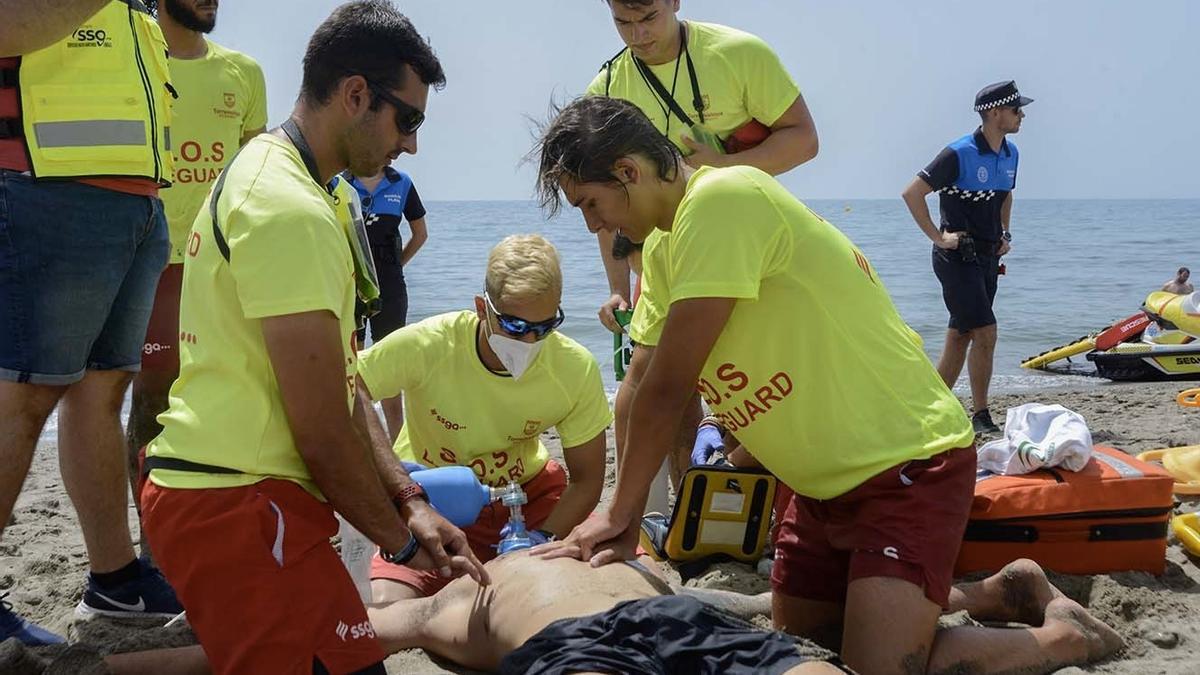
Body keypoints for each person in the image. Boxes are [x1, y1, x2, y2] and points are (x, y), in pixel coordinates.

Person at [527, 96, 1123, 675]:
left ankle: (1064, 638)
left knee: (878, 667)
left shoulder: (723, 200)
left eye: (590, 202)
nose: (592, 224)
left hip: (906, 466)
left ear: (628, 171)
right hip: (817, 489)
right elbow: (639, 378)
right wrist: (619, 513)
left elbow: (671, 386)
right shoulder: (661, 245)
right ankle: (1000, 593)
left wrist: (622, 508)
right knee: (808, 652)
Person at [139, 3, 487, 673]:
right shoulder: (287, 207)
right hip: (231, 502)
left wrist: (409, 502)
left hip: (254, 497)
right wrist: (403, 545)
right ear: (356, 94)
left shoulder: (318, 189)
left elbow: (347, 377)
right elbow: (322, 429)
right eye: (406, 119)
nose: (411, 144)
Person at [89, 555, 1120, 675]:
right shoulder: (631, 558)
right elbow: (745, 600)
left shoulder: (468, 595)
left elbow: (323, 645)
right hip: (686, 625)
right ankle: (1059, 635)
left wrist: (98, 671)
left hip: (589, 643)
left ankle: (1054, 631)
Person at [0, 0, 182, 645]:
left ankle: (116, 585)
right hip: (47, 189)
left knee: (101, 392)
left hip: (134, 201)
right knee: (22, 397)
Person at [587, 0, 819, 502]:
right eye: (622, 23)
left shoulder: (738, 53)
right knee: (664, 379)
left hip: (744, 236)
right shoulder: (606, 89)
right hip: (660, 254)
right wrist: (616, 290)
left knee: (752, 373)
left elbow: (804, 140)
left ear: (674, 2)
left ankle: (760, 500)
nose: (638, 36)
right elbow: (605, 202)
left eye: (648, 18)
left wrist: (722, 166)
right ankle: (685, 502)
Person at [357, 234, 611, 602]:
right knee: (388, 601)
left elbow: (587, 482)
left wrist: (545, 540)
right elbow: (348, 389)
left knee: (622, 573)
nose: (529, 343)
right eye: (515, 327)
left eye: (544, 327)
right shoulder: (429, 345)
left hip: (530, 497)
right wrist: (401, 487)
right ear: (482, 308)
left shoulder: (573, 367)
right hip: (435, 498)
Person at [126, 0, 269, 547]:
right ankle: (153, 536)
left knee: (232, 390)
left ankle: (224, 515)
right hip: (151, 261)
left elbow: (255, 176)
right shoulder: (136, 60)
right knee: (152, 399)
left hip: (219, 263)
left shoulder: (244, 71)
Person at [902, 80, 1032, 434]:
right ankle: (981, 415)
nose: (1022, 115)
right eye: (1016, 109)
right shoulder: (958, 153)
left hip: (989, 258)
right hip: (957, 258)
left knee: (961, 335)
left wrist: (1005, 234)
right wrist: (938, 237)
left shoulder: (1011, 153)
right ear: (994, 113)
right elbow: (912, 193)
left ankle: (930, 409)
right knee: (986, 331)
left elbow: (1005, 195)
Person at [344, 165, 430, 440]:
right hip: (350, 284)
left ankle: (397, 442)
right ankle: (358, 438)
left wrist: (397, 265)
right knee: (351, 361)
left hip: (390, 286)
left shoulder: (401, 182)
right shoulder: (339, 183)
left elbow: (420, 234)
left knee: (390, 363)